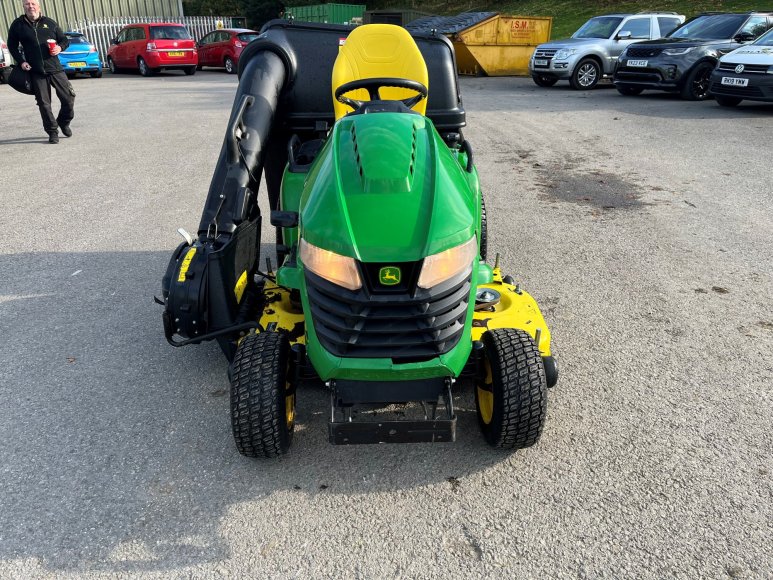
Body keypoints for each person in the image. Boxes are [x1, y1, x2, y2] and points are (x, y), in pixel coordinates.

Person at [7, 0, 75, 144]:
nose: (30, 6)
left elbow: (64, 40)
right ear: (23, 6)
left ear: (39, 6)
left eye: (33, 3)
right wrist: (21, 61)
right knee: (44, 104)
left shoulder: (50, 23)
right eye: (27, 4)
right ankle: (52, 131)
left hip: (55, 69)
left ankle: (63, 122)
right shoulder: (17, 25)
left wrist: (60, 48)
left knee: (69, 98)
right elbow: (11, 45)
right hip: (36, 71)